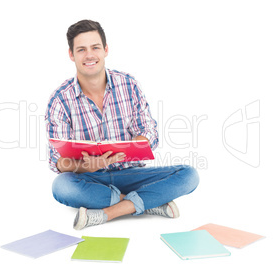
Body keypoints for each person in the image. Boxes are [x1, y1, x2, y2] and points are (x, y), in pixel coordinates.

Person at [45, 19, 199, 230]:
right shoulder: (60, 100)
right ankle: (147, 203)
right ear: (71, 54)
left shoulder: (128, 84)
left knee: (189, 175)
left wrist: (138, 143)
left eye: (95, 47)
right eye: (81, 49)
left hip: (130, 173)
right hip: (90, 179)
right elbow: (57, 161)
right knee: (62, 187)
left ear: (105, 50)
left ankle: (109, 212)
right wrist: (84, 166)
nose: (89, 55)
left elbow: (149, 132)